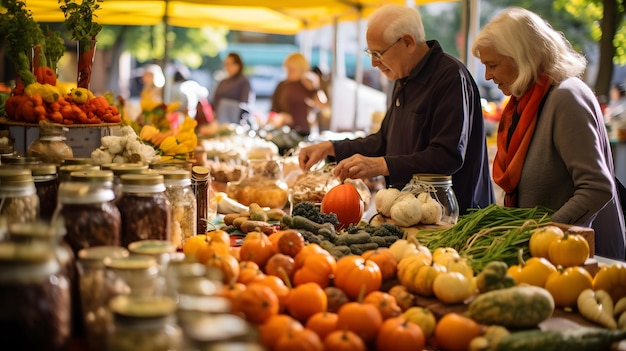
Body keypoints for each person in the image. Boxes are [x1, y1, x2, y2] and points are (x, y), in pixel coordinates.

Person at [298, 4, 494, 215]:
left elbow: (447, 156)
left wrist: (383, 165)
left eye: (378, 53)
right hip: (411, 211)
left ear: (408, 42)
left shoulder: (450, 78)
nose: (373, 63)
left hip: (453, 216)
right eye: (369, 53)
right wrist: (330, 148)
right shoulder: (403, 78)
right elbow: (383, 141)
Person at [471, 7, 626, 260]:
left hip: (582, 260)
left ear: (523, 57)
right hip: (548, 256)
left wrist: (542, 233)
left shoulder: (566, 97)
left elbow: (596, 189)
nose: (488, 76)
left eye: (493, 65)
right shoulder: (525, 102)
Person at [270, 52, 327, 137]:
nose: (289, 72)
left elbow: (322, 104)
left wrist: (316, 86)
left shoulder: (308, 84)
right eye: (287, 69)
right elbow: (274, 109)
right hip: (285, 131)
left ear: (302, 69)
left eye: (292, 69)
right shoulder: (282, 85)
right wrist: (279, 117)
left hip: (306, 131)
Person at [212, 52, 251, 124]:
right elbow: (215, 100)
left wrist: (226, 106)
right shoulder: (223, 82)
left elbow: (244, 103)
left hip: (234, 119)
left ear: (238, 65)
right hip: (218, 118)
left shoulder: (243, 81)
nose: (228, 67)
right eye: (226, 64)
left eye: (230, 64)